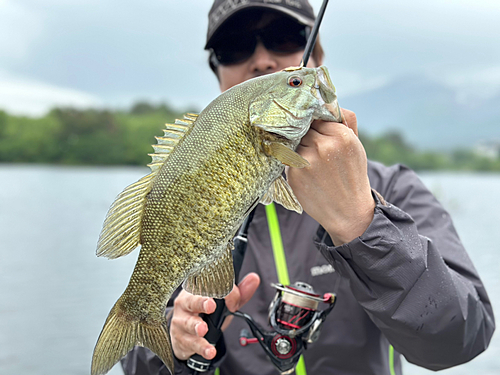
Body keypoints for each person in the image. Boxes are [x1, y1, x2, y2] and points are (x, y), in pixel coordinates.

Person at [121, 1, 495, 374]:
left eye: (283, 39)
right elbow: (137, 363)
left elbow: (461, 338)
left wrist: (362, 221)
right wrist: (175, 342)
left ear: (316, 57)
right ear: (217, 73)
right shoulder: (186, 191)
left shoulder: (392, 188)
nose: (263, 60)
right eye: (235, 46)